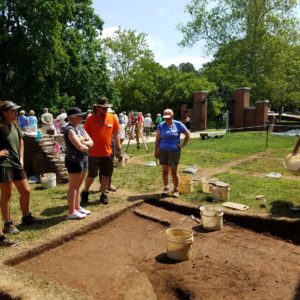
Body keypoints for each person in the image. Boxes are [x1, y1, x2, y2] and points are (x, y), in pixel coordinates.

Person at [0, 100, 42, 238]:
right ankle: (8, 223)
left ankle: (26, 217)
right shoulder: (0, 126)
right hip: (4, 164)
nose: (16, 113)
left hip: (17, 163)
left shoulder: (15, 125)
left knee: (26, 190)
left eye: (16, 110)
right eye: (13, 111)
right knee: (7, 195)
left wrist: (22, 158)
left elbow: (21, 141)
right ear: (4, 113)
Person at [81, 97, 122, 206]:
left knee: (106, 174)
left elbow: (116, 134)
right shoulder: (90, 119)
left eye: (106, 108)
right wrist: (83, 145)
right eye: (103, 108)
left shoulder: (112, 117)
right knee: (92, 174)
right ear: (98, 108)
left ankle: (103, 194)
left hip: (108, 152)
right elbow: (85, 134)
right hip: (94, 153)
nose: (105, 110)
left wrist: (118, 149)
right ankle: (85, 191)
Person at [64, 107, 93, 220]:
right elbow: (81, 147)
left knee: (78, 186)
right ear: (72, 117)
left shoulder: (79, 128)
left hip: (83, 159)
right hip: (74, 161)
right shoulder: (70, 129)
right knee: (73, 187)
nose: (82, 117)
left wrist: (84, 142)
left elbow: (92, 142)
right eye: (80, 115)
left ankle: (77, 207)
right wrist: (84, 142)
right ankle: (71, 212)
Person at [154, 108, 190, 198]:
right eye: (165, 118)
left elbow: (187, 134)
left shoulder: (178, 124)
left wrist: (183, 145)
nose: (166, 119)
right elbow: (157, 139)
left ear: (172, 116)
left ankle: (176, 189)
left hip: (174, 152)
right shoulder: (161, 125)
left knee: (174, 172)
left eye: (168, 118)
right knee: (165, 171)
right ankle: (166, 188)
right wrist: (155, 151)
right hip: (163, 151)